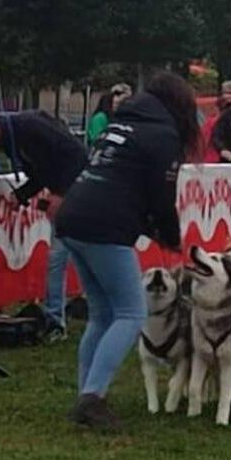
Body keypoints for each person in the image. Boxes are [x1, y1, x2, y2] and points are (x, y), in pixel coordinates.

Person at [53, 72, 194, 430]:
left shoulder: (120, 124)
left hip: (73, 217)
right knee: (132, 313)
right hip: (106, 226)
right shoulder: (164, 136)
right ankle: (92, 398)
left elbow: (125, 183)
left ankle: (88, 392)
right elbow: (161, 197)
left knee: (102, 314)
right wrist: (171, 235)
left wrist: (154, 228)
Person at [0, 103, 88, 341]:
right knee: (66, 256)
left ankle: (58, 321)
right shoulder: (14, 136)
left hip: (79, 193)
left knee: (63, 256)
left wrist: (60, 194)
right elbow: (41, 171)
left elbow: (77, 154)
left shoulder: (29, 129)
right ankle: (58, 319)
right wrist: (22, 194)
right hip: (73, 191)